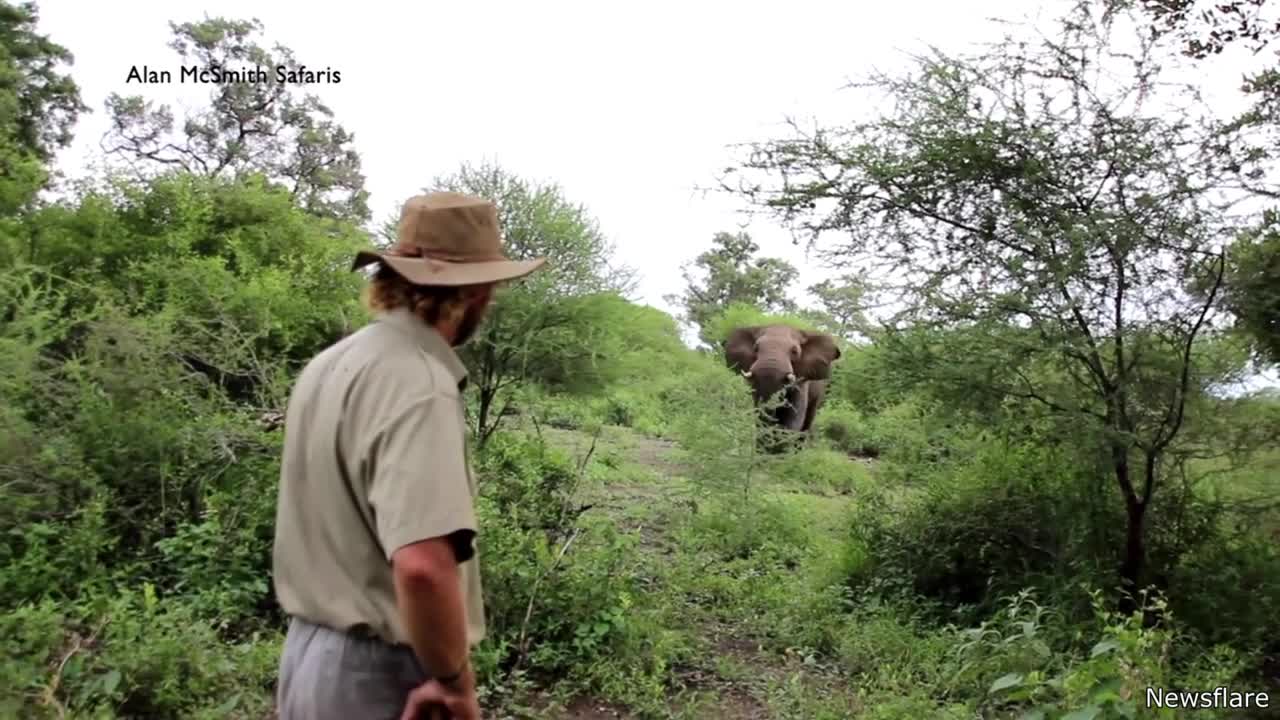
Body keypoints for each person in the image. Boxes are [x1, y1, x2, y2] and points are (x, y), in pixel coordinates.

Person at [271, 191, 546, 719]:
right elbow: (422, 566)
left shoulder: (329, 365)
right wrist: (453, 681)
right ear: (477, 291)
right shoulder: (419, 382)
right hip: (378, 678)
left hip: (305, 656)